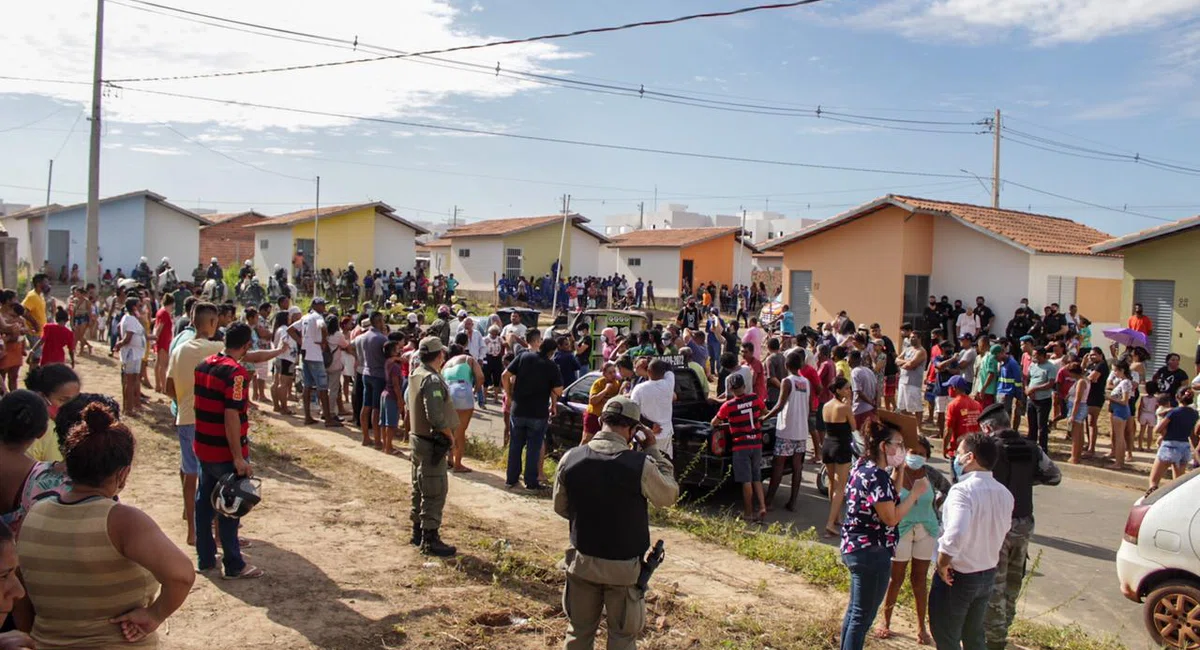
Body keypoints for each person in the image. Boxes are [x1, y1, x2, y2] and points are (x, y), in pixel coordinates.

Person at [19, 402, 195, 648]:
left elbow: (21, 595)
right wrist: (155, 615)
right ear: (122, 473)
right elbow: (182, 575)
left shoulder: (35, 513)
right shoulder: (123, 521)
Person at [553, 396, 679, 650]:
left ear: (601, 422)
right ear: (634, 432)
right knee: (622, 637)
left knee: (578, 631)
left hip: (582, 562)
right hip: (623, 569)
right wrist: (653, 450)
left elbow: (561, 507)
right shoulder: (640, 464)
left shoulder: (571, 458)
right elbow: (668, 496)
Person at [167, 303, 280, 547]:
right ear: (212, 323)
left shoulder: (179, 348)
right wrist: (278, 351)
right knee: (223, 482)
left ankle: (193, 533)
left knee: (191, 478)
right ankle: (222, 537)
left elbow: (167, 387)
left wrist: (185, 402)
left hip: (185, 418)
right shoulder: (217, 349)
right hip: (209, 423)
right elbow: (250, 358)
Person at [976, 403, 1060, 650]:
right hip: (1023, 522)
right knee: (1013, 581)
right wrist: (1026, 481)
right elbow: (1054, 476)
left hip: (996, 524)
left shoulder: (989, 450)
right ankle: (1003, 628)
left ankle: (994, 639)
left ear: (989, 427)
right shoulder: (1032, 447)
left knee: (994, 583)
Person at [839, 421, 928, 650]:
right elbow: (890, 517)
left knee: (854, 613)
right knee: (862, 618)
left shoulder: (863, 467)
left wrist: (898, 472)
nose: (900, 449)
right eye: (897, 444)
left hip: (856, 548)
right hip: (872, 552)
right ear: (883, 446)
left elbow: (887, 497)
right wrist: (915, 494)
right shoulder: (876, 475)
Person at [193, 323, 266, 579]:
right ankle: (234, 564)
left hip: (203, 445)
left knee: (203, 503)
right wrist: (238, 457)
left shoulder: (203, 364)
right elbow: (231, 415)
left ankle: (204, 558)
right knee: (230, 506)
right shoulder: (236, 374)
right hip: (224, 451)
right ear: (246, 345)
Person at [929, 434, 1014, 650]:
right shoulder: (1004, 493)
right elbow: (1003, 531)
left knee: (946, 635)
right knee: (974, 635)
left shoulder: (962, 491)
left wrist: (942, 563)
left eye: (958, 453)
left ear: (970, 457)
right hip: (986, 574)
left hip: (958, 575)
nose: (955, 458)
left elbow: (955, 533)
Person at [875, 437, 950, 645]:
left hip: (926, 529)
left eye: (920, 453)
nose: (915, 456)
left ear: (926, 456)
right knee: (895, 578)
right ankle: (885, 621)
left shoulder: (931, 474)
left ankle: (921, 628)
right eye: (911, 451)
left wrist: (936, 505)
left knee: (919, 580)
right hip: (901, 529)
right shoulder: (895, 473)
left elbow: (949, 489)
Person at [406, 336, 458, 557]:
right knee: (434, 490)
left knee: (420, 486)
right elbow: (435, 416)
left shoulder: (416, 374)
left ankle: (418, 532)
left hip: (418, 439)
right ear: (439, 355)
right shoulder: (432, 380)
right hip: (431, 442)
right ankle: (430, 539)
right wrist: (450, 436)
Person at [503, 335, 564, 490]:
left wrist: (509, 396)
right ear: (552, 352)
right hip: (538, 412)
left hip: (518, 409)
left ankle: (511, 479)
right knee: (533, 448)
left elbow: (505, 375)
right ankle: (531, 481)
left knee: (515, 445)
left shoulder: (523, 356)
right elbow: (559, 390)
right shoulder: (552, 366)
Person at [712, 373, 767, 522]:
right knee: (757, 477)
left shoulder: (728, 406)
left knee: (746, 480)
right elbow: (765, 412)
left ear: (730, 389)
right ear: (744, 386)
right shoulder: (755, 398)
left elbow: (714, 422)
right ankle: (762, 506)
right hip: (756, 443)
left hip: (741, 446)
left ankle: (748, 513)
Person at [764, 351, 810, 512]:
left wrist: (763, 418)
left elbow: (780, 406)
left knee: (779, 465)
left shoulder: (787, 381)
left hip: (786, 430)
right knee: (797, 467)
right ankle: (793, 501)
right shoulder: (805, 382)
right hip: (801, 430)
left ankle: (768, 501)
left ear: (786, 366)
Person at [290, 297, 341, 427]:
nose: (324, 307)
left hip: (306, 354)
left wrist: (302, 342)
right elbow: (322, 326)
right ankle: (328, 419)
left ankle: (307, 416)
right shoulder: (318, 317)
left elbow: (290, 329)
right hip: (316, 355)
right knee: (322, 387)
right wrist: (323, 341)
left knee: (307, 386)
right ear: (316, 306)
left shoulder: (305, 317)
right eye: (323, 305)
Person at [24, 364, 82, 463]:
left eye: (75, 399)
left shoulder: (20, 416)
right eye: (63, 400)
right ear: (42, 398)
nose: (71, 405)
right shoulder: (50, 430)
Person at [821, 377, 855, 538]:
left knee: (832, 484)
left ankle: (836, 517)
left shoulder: (826, 406)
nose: (849, 391)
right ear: (839, 390)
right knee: (841, 487)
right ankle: (829, 523)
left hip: (827, 445)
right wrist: (849, 405)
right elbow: (854, 427)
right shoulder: (844, 407)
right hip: (841, 446)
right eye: (847, 388)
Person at [1149, 389, 1200, 494]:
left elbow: (1157, 429)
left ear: (1177, 397)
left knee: (1154, 481)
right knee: (1177, 483)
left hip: (1169, 445)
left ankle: (1150, 500)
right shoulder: (1194, 413)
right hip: (1184, 447)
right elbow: (1193, 433)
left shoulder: (1173, 412)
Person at [443, 343, 483, 472]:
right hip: (462, 390)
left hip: (447, 392)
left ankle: (449, 458)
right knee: (460, 431)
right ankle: (458, 464)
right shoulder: (468, 359)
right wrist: (475, 390)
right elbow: (480, 377)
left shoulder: (446, 364)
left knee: (449, 429)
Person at [629, 359, 676, 460]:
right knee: (663, 464)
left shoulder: (639, 388)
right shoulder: (669, 384)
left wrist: (650, 425)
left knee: (642, 466)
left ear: (648, 372)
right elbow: (669, 368)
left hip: (644, 435)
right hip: (664, 434)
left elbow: (633, 412)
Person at [356, 312, 389, 449]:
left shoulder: (362, 337)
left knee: (366, 405)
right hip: (378, 375)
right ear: (379, 321)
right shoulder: (381, 339)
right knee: (376, 408)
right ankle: (377, 440)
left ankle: (365, 437)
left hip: (366, 373)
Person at [112, 297, 146, 416]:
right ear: (134, 307)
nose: (141, 308)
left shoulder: (131, 318)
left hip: (135, 353)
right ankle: (129, 409)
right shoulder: (130, 319)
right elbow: (128, 337)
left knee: (132, 381)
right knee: (130, 382)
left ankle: (132, 406)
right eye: (139, 305)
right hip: (132, 353)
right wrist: (119, 344)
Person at [943, 375, 981, 464]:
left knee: (956, 477)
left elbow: (948, 430)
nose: (948, 390)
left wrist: (944, 448)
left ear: (954, 388)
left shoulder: (953, 405)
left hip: (958, 449)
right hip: (973, 448)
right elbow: (979, 428)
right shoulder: (977, 404)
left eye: (949, 387)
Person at [1025, 346, 1056, 452]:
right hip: (1031, 399)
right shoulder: (1032, 365)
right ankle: (1031, 446)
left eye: (1035, 355)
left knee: (1041, 426)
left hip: (1043, 400)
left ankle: (1043, 449)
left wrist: (1035, 389)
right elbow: (1026, 378)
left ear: (1042, 356)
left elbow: (1050, 383)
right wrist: (1027, 389)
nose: (1033, 357)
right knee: (1031, 424)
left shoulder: (1050, 367)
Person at [1107, 359, 1134, 469]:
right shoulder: (1122, 382)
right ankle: (1119, 461)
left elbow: (1124, 401)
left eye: (1115, 371)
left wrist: (1110, 398)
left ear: (1122, 370)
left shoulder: (1125, 382)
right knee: (1119, 437)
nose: (1114, 373)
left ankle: (1118, 462)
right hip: (1118, 410)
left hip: (1120, 410)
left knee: (1119, 437)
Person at [584, 362, 621, 444]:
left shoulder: (618, 383)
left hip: (606, 418)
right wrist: (605, 390)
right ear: (604, 374)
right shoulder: (599, 383)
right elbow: (592, 401)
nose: (613, 375)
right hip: (594, 415)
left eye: (614, 372)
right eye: (610, 373)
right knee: (587, 440)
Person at [1064, 363, 1090, 464]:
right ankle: (1077, 454)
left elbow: (1077, 399)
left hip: (1078, 408)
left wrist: (1073, 415)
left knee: (1075, 434)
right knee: (1079, 433)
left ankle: (1074, 456)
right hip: (1079, 407)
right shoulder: (1082, 380)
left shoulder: (1081, 382)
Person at [897, 331, 926, 417]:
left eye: (914, 337)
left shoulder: (921, 351)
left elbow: (911, 365)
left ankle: (918, 428)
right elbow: (897, 360)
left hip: (913, 383)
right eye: (910, 337)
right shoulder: (907, 349)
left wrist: (904, 363)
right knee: (902, 406)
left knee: (916, 407)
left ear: (919, 338)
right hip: (903, 381)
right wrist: (907, 362)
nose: (911, 339)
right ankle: (908, 426)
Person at [150, 293, 174, 394]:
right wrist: (156, 338)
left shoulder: (160, 311)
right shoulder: (164, 313)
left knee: (158, 363)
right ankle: (163, 387)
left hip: (162, 340)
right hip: (163, 340)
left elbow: (157, 326)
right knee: (163, 365)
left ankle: (158, 385)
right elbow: (160, 327)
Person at [849, 350, 878, 429]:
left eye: (849, 358)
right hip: (870, 409)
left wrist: (870, 402)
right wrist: (875, 404)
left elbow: (858, 392)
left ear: (852, 360)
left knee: (859, 436)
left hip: (860, 410)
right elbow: (876, 389)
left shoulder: (854, 372)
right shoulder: (869, 371)